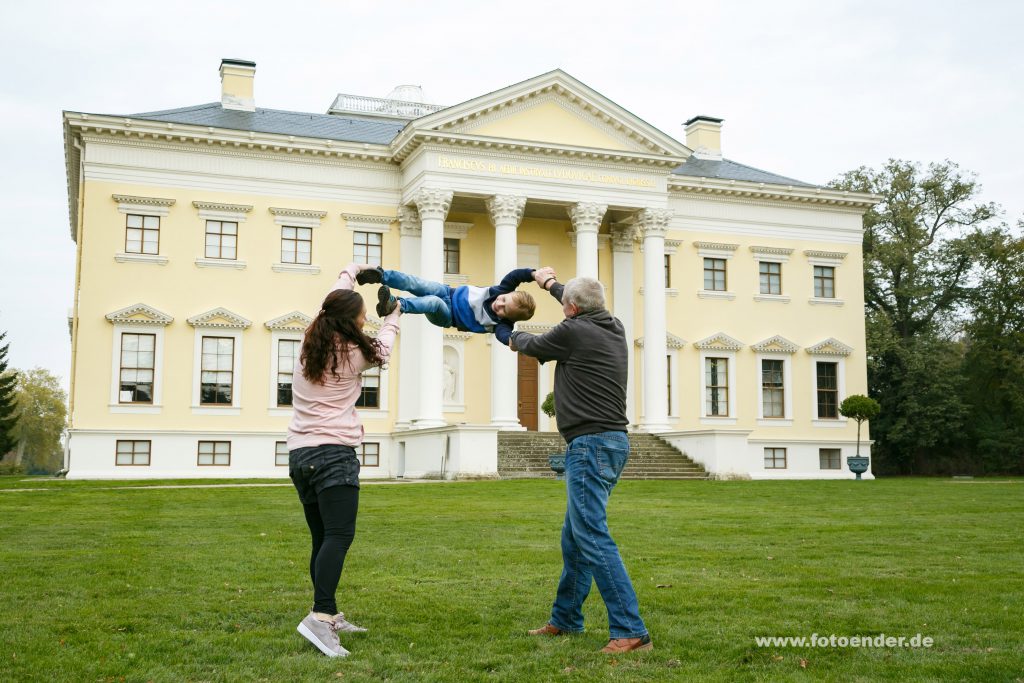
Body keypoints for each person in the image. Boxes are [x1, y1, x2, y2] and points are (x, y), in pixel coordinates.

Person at [509, 267, 652, 654]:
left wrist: (504, 329)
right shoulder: (613, 325)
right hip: (610, 443)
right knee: (575, 539)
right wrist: (549, 285)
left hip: (590, 446)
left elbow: (530, 344)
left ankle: (630, 630)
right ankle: (567, 618)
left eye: (564, 304)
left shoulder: (571, 332)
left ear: (571, 310)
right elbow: (573, 301)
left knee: (591, 536)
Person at [288, 262, 401, 658]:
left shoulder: (309, 344)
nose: (365, 319)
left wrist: (351, 271)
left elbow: (330, 300)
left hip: (300, 456)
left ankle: (330, 611)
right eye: (361, 316)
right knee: (339, 536)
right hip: (334, 454)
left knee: (322, 538)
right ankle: (320, 618)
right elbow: (383, 349)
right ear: (350, 321)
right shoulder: (354, 353)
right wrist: (393, 317)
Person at [355, 266, 536, 346]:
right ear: (507, 293)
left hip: (447, 315)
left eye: (504, 310)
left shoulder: (501, 326)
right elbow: (515, 276)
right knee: (416, 283)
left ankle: (396, 304)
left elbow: (505, 337)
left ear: (509, 319)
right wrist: (534, 274)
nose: (499, 304)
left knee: (433, 303)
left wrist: (513, 342)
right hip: (448, 292)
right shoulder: (501, 290)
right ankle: (378, 275)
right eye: (503, 300)